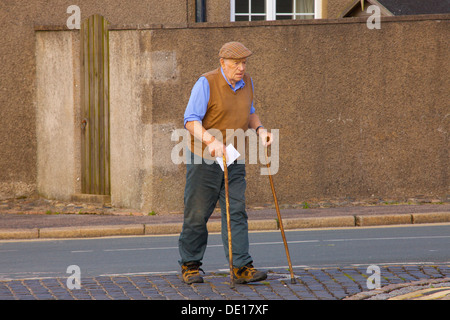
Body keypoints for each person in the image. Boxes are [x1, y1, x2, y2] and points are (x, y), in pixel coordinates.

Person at [178, 41, 273, 284]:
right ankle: (190, 265)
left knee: (236, 211)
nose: (241, 68)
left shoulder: (247, 82)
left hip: (233, 157)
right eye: (235, 63)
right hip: (204, 157)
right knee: (197, 213)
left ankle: (241, 267)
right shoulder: (206, 83)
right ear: (222, 63)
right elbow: (190, 120)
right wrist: (211, 141)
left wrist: (260, 129)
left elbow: (250, 111)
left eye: (244, 63)